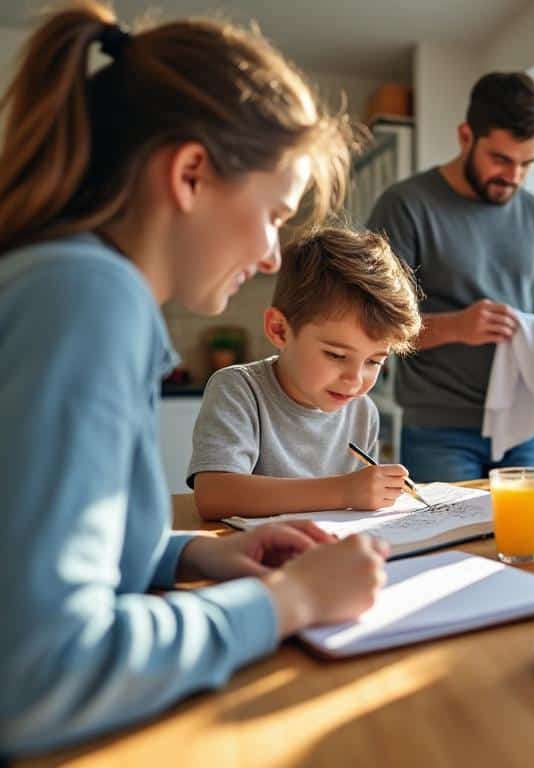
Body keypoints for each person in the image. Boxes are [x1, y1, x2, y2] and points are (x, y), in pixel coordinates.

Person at [0, 3, 387, 755]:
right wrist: (286, 603)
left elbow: (44, 550)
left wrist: (192, 555)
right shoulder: (86, 299)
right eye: (275, 214)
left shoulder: (71, 285)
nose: (274, 256)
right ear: (190, 174)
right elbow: (39, 672)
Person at [367, 72, 534, 482]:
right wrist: (457, 326)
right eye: (501, 159)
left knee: (529, 543)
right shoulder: (405, 206)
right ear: (465, 136)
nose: (513, 176)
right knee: (446, 545)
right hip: (439, 431)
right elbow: (374, 323)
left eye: (527, 164)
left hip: (523, 423)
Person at [190, 228, 422, 519]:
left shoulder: (363, 411)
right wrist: (344, 491)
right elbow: (214, 495)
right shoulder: (239, 390)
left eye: (374, 362)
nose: (355, 380)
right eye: (336, 355)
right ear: (279, 330)